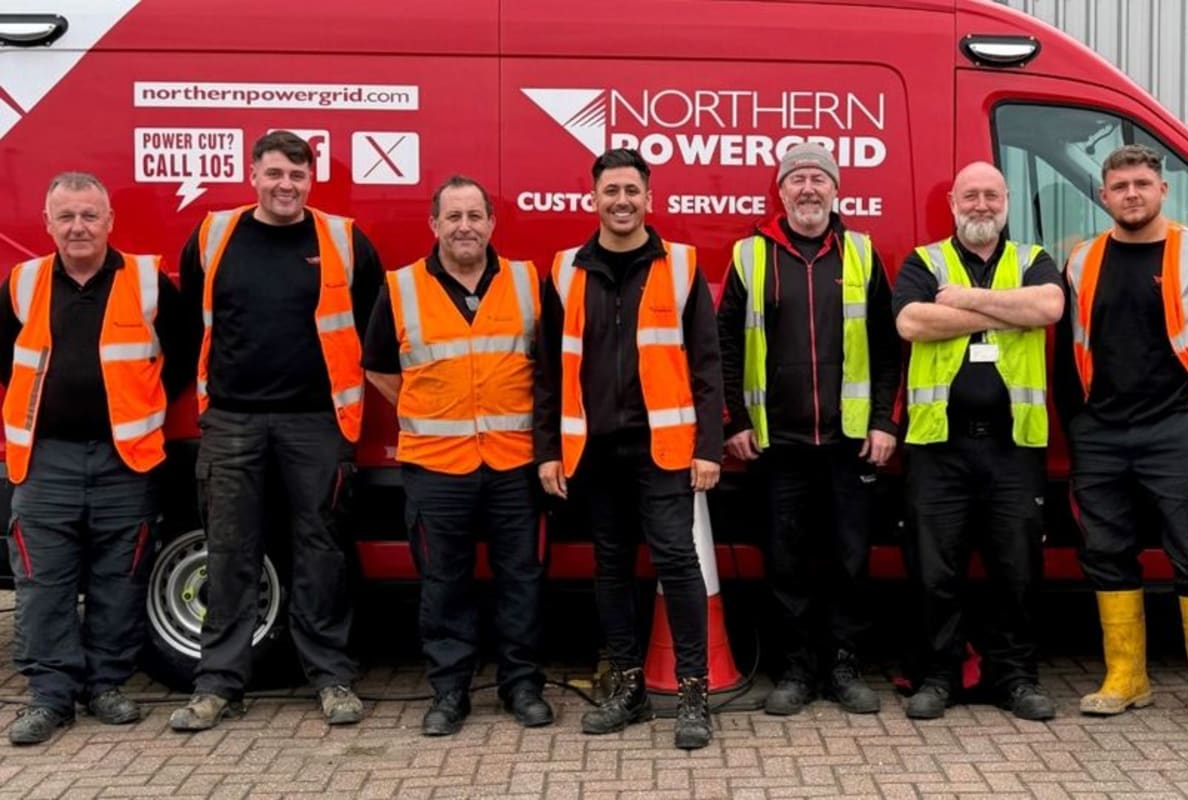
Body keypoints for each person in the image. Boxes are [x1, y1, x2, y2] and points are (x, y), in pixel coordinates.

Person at [169, 131, 383, 731]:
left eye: (296, 175)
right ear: (253, 176)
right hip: (232, 420)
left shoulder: (344, 240)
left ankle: (332, 678)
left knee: (321, 552)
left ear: (310, 179)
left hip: (317, 422)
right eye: (274, 174)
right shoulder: (213, 235)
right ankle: (217, 685)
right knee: (229, 552)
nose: (285, 185)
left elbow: (372, 324)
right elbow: (195, 319)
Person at [534, 148, 723, 750]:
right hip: (592, 451)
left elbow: (708, 364)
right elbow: (547, 370)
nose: (622, 201)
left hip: (663, 448)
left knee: (677, 562)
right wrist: (547, 450)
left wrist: (709, 447)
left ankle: (693, 693)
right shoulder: (565, 271)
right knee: (611, 568)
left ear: (649, 197)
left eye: (631, 191)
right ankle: (629, 687)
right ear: (593, 197)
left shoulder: (682, 265)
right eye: (611, 190)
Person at [0, 172, 189, 745]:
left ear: (110, 221)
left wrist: (143, 404)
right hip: (45, 461)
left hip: (124, 459)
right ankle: (50, 696)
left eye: (89, 215)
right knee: (43, 582)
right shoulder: (22, 284)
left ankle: (106, 684)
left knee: (119, 577)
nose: (78, 227)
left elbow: (183, 357)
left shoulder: (149, 282)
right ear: (48, 224)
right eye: (66, 217)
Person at [361, 175, 551, 736]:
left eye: (474, 216)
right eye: (453, 217)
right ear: (434, 224)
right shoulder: (401, 287)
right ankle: (449, 693)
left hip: (514, 463)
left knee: (522, 581)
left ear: (492, 223)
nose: (464, 227)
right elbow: (379, 368)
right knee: (444, 585)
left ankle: (522, 686)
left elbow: (549, 369)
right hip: (435, 466)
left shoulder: (527, 283)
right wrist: (430, 406)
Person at [717, 142, 902, 716]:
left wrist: (882, 420)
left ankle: (844, 666)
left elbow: (888, 346)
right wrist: (736, 420)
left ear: (836, 190)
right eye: (796, 179)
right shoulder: (750, 255)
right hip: (778, 444)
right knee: (785, 563)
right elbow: (725, 345)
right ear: (780, 192)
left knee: (850, 560)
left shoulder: (862, 253)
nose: (808, 189)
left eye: (819, 179)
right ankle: (795, 669)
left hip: (849, 443)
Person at [893, 161, 1063, 721]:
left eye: (991, 195)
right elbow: (912, 323)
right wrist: (1004, 311)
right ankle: (938, 676)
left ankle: (1016, 678)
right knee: (935, 571)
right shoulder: (924, 261)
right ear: (952, 203)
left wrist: (961, 300)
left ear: (1006, 199)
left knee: (1017, 570)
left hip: (1014, 446)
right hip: (938, 446)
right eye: (970, 196)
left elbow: (1048, 307)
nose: (982, 205)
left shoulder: (1032, 259)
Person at [1056, 144, 1188, 719]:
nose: (1131, 194)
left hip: (1179, 426)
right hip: (1102, 432)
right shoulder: (1081, 260)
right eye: (1120, 187)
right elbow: (1069, 350)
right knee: (1106, 552)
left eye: (1142, 183)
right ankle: (1126, 678)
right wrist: (1079, 423)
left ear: (1164, 189)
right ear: (1103, 196)